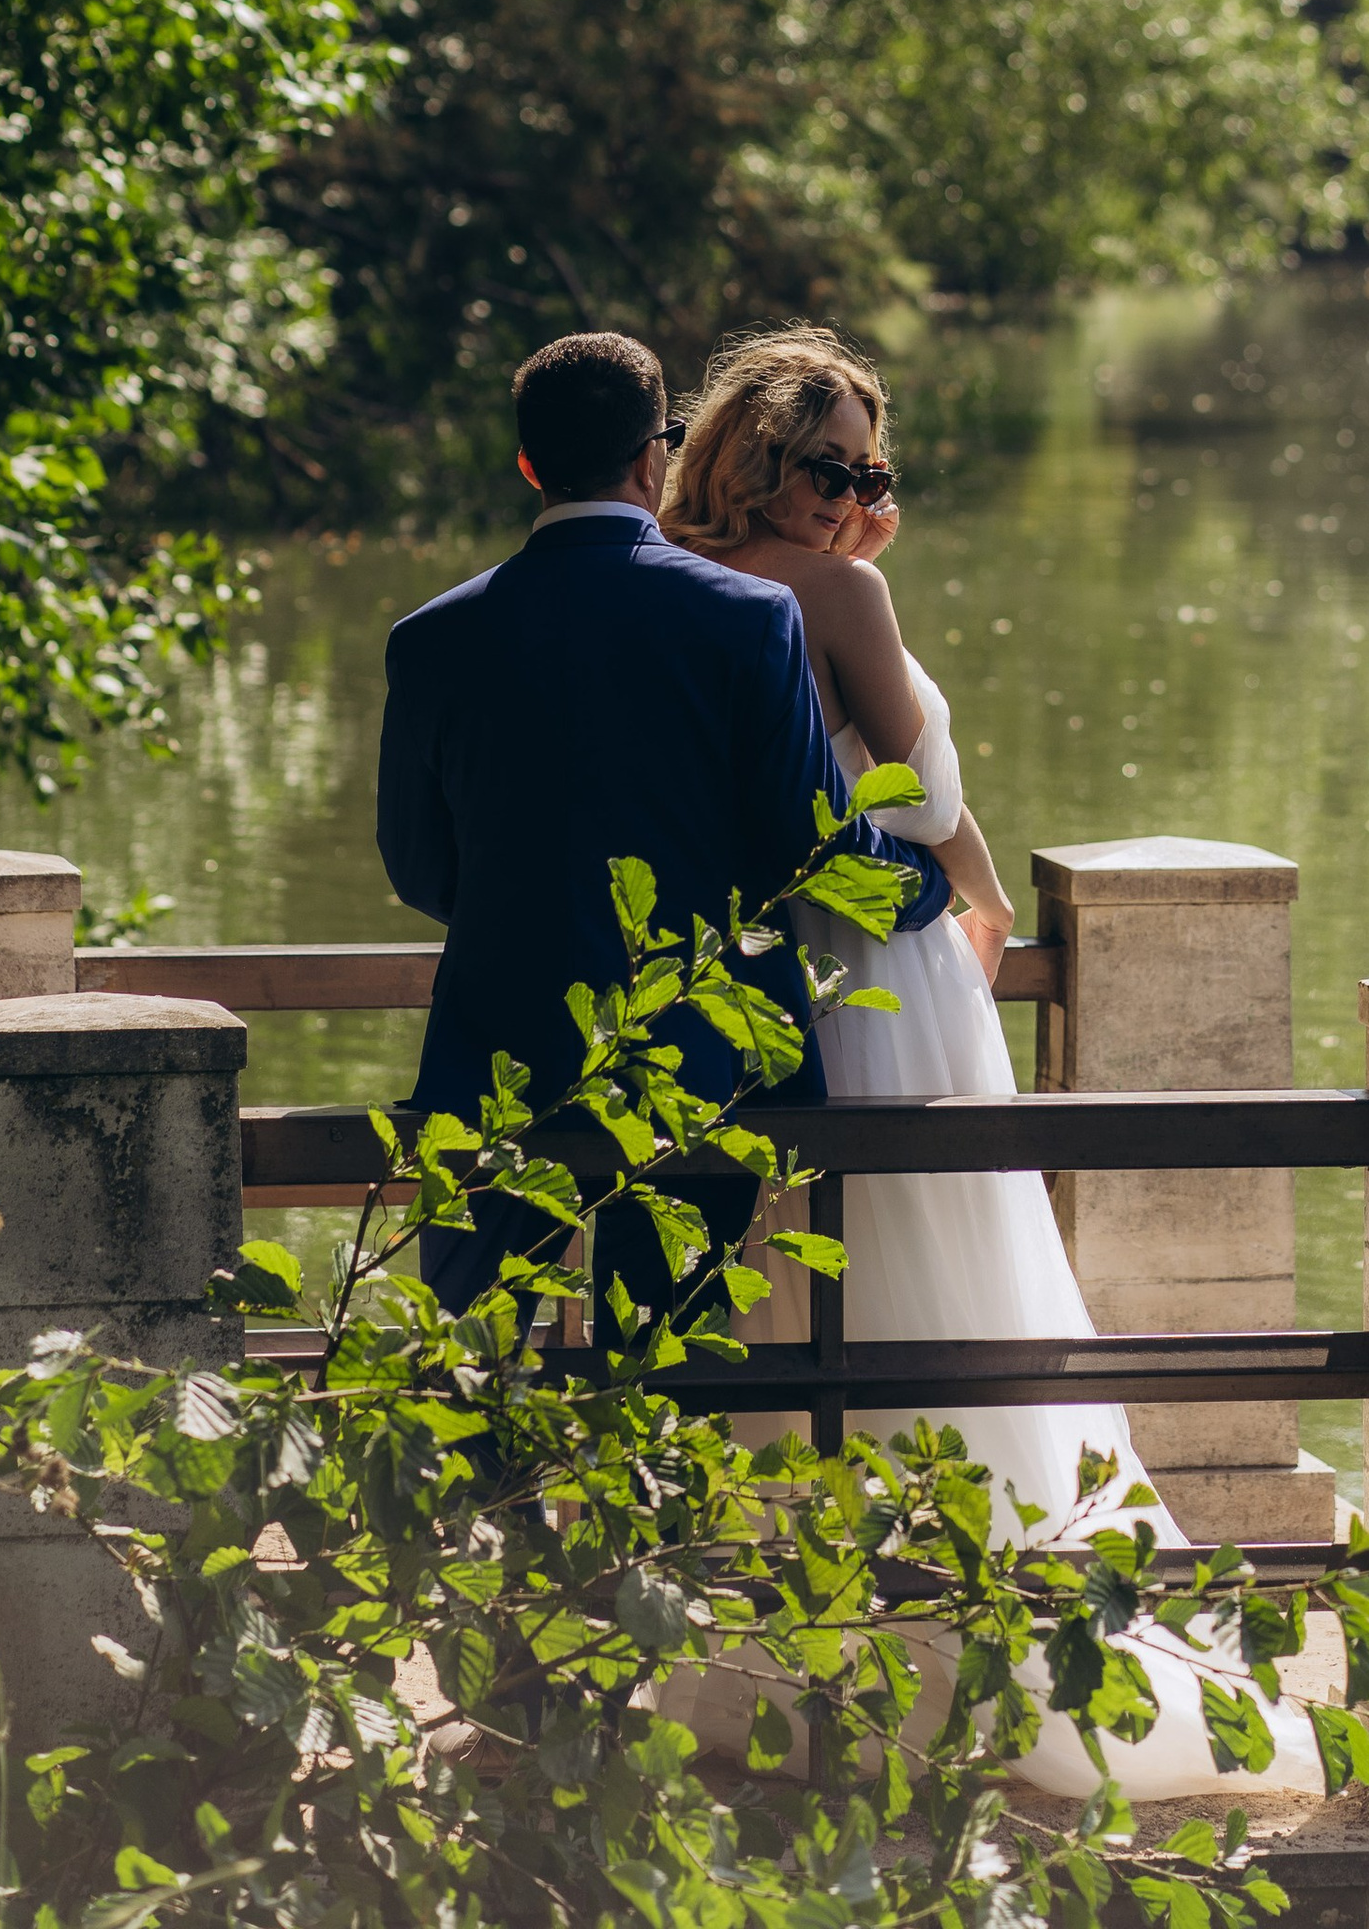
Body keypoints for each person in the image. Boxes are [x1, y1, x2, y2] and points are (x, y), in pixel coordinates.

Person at [662, 325, 1321, 1801]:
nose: (854, 492)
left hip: (748, 975)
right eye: (834, 464)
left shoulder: (680, 574)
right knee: (938, 1262)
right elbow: (919, 786)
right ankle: (967, 1640)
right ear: (763, 455)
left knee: (791, 1284)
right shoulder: (838, 588)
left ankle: (783, 1651)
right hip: (879, 978)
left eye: (871, 469)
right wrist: (987, 892)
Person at [375, 327, 952, 1320]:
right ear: (654, 458)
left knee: (471, 1370)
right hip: (700, 1064)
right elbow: (808, 842)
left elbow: (419, 869)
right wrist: (927, 888)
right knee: (658, 1371)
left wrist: (538, 922)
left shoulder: (430, 637)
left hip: (498, 1061)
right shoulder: (745, 617)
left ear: (527, 466)